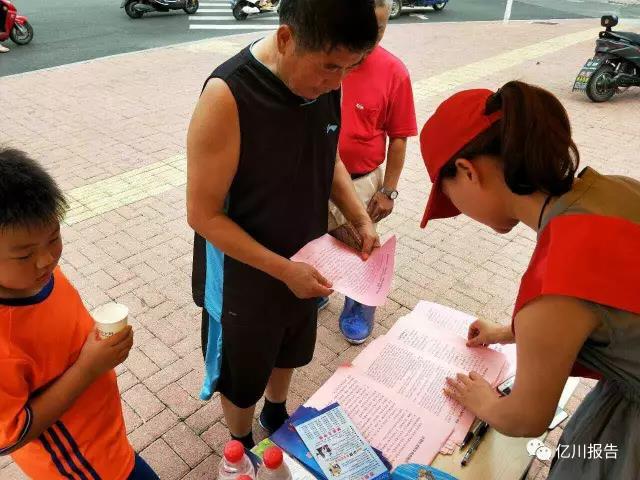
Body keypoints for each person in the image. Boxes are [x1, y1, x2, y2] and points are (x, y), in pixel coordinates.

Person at [418, 81, 640, 479]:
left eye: (449, 197)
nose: (458, 209)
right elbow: (611, 301)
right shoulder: (614, 190)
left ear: (468, 172)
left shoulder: (557, 280)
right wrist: (509, 331)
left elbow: (525, 419)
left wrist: (484, 401)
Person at [187, 0, 380, 449]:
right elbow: (202, 215)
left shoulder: (327, 78)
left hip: (306, 257)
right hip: (243, 273)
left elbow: (325, 153)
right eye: (330, 67)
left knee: (292, 344)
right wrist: (283, 271)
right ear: (286, 38)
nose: (336, 82)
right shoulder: (228, 95)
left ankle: (277, 409)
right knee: (243, 368)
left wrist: (358, 214)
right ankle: (239, 436)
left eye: (349, 69)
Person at [0, 148, 159, 479]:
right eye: (25, 254)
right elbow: (11, 435)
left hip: (105, 436)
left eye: (54, 238)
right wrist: (89, 367)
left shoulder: (37, 276)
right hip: (80, 465)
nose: (47, 260)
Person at [324, 0, 417, 344]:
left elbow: (400, 138)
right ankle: (321, 290)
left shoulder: (394, 72)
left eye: (379, 29)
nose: (370, 37)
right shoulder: (327, 60)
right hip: (315, 177)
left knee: (360, 248)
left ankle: (359, 305)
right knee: (316, 241)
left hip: (362, 181)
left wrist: (388, 190)